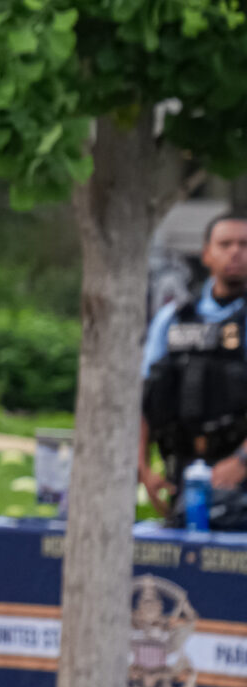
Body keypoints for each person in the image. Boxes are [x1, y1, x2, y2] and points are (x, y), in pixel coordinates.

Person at [139, 212, 247, 513]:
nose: (236, 252)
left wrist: (241, 462)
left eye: (244, 244)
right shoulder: (172, 318)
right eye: (225, 244)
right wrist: (144, 470)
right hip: (183, 473)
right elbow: (143, 398)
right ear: (206, 254)